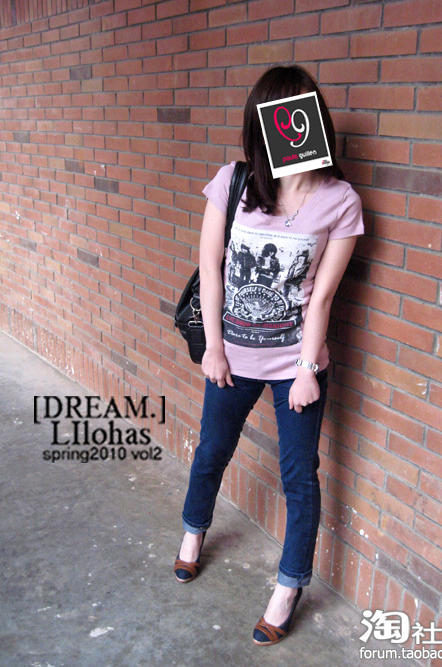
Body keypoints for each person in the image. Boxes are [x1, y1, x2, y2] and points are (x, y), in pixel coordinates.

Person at [174, 64, 364, 645]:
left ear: (315, 122)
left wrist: (307, 370)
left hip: (295, 365)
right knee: (211, 452)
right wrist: (212, 348)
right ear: (262, 127)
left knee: (299, 477)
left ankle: (288, 587)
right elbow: (210, 269)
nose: (291, 130)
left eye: (301, 116)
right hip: (230, 358)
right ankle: (192, 532)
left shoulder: (340, 201)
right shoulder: (233, 183)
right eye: (278, 119)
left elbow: (323, 297)